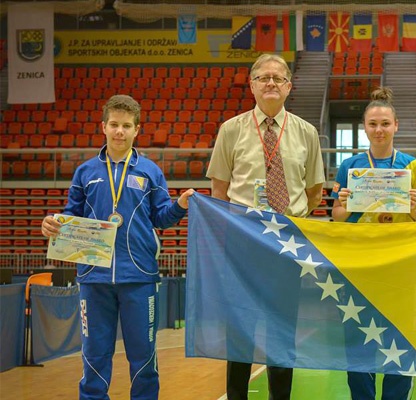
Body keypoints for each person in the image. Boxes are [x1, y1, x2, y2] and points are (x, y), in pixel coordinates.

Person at [41, 94, 195, 400]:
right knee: (94, 356)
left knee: (143, 359)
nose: (119, 131)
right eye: (114, 124)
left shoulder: (150, 171)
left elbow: (161, 218)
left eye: (126, 125)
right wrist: (55, 222)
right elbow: (71, 215)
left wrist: (179, 205)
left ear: (137, 129)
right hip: (94, 276)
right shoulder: (85, 172)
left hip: (139, 276)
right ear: (103, 126)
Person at [206, 53, 325, 400]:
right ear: (252, 85)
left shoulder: (307, 132)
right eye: (263, 77)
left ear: (289, 86)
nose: (271, 83)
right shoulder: (231, 130)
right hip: (244, 244)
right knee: (240, 330)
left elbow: (315, 192)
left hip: (287, 246)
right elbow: (219, 191)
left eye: (278, 78)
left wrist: (287, 221)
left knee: (282, 333)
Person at [331, 87, 416, 399]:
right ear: (364, 127)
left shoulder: (413, 166)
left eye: (385, 123)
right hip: (360, 267)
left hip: (400, 268)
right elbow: (337, 217)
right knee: (358, 343)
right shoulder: (350, 167)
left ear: (396, 125)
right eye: (373, 123)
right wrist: (344, 205)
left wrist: (415, 208)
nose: (379, 129)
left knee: (400, 343)